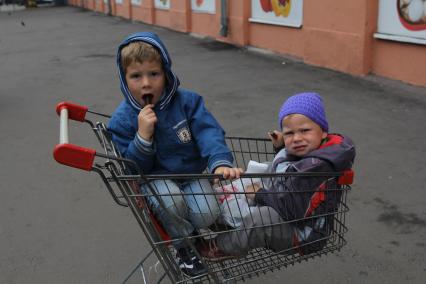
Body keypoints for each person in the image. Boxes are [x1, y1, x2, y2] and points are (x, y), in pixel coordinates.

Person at [107, 32, 243, 276]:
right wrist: (143, 136)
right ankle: (183, 247)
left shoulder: (187, 102)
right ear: (124, 79)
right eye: (136, 76)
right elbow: (133, 167)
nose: (146, 83)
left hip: (190, 174)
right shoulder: (122, 120)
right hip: (155, 179)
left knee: (206, 214)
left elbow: (208, 132)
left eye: (154, 74)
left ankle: (189, 229)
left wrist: (219, 162)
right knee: (170, 200)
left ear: (166, 73)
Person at [197, 92, 356, 260]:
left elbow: (292, 209)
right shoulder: (317, 151)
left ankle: (224, 247)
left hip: (303, 235)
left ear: (323, 131)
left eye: (304, 130)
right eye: (289, 133)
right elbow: (293, 168)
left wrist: (259, 194)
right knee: (247, 191)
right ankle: (232, 226)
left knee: (261, 219)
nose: (297, 138)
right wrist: (281, 147)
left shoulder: (317, 168)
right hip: (289, 215)